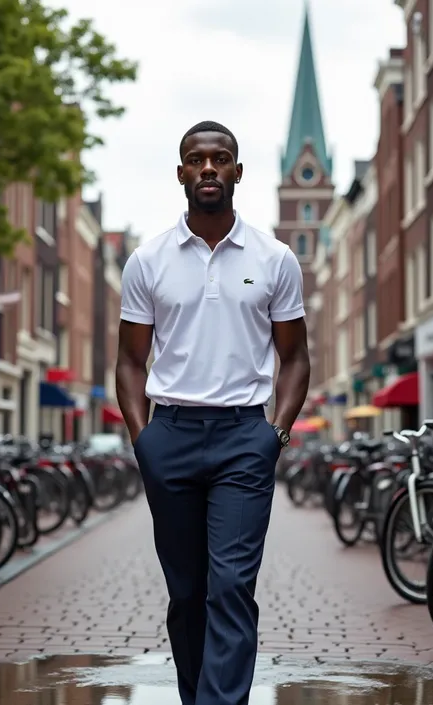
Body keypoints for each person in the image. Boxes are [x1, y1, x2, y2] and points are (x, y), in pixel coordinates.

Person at [116, 120, 310, 705]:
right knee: (187, 591)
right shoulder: (147, 261)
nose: (208, 168)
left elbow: (296, 358)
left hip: (243, 439)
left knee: (230, 585)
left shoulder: (275, 259)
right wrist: (142, 439)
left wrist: (273, 433)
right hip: (168, 436)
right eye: (196, 160)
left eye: (220, 158)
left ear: (237, 172)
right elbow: (129, 363)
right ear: (181, 172)